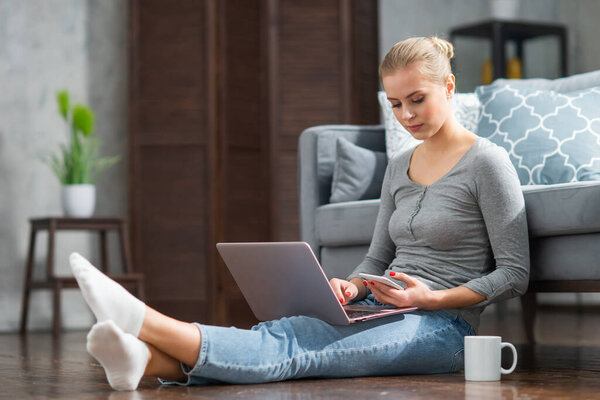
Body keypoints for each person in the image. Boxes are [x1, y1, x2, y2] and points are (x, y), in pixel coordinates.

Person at [71, 36, 529, 391]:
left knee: (299, 349)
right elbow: (377, 258)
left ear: (449, 87)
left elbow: (514, 273)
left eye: (417, 99)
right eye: (394, 104)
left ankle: (143, 321)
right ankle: (143, 361)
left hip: (441, 329)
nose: (406, 115)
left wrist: (430, 300)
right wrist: (351, 285)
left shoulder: (487, 162)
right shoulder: (398, 167)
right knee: (288, 330)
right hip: (375, 308)